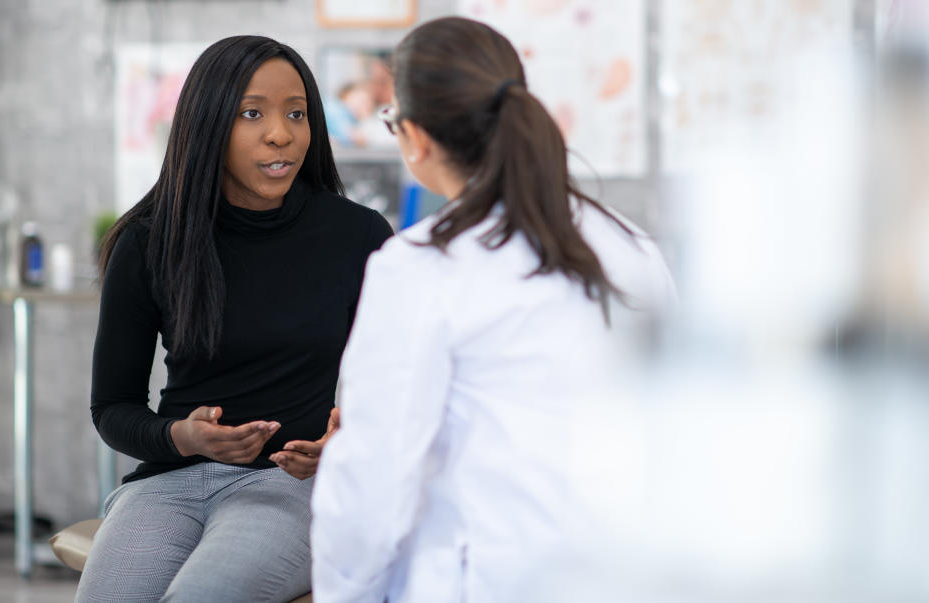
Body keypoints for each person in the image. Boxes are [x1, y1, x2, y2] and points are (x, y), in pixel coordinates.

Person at [309, 16, 677, 603]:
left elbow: (374, 481)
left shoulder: (420, 266)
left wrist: (341, 592)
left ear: (416, 139)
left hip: (488, 579)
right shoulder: (633, 247)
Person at [76, 35, 392, 603]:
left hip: (291, 488)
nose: (281, 133)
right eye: (253, 113)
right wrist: (181, 436)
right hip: (167, 485)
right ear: (209, 124)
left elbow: (403, 393)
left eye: (297, 113)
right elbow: (112, 408)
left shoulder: (359, 236)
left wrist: (346, 446)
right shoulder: (148, 240)